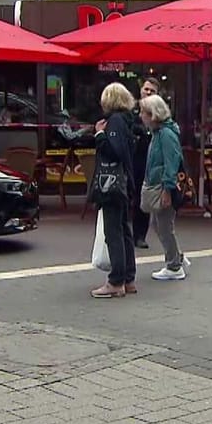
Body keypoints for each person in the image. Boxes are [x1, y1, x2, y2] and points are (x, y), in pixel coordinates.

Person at [91, 83, 139, 298]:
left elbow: (113, 151)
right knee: (123, 230)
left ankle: (116, 280)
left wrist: (100, 135)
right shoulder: (129, 120)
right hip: (124, 182)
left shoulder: (115, 122)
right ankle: (128, 278)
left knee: (114, 232)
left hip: (111, 184)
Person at [140, 94, 188, 281]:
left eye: (144, 112)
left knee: (164, 226)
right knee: (159, 224)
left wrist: (167, 189)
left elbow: (171, 162)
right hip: (159, 184)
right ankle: (176, 258)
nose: (141, 116)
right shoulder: (159, 133)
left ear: (153, 115)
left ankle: (174, 265)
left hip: (163, 186)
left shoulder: (166, 134)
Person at [130, 78, 160, 250]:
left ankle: (140, 235)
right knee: (130, 196)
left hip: (150, 160)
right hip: (133, 158)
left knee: (144, 198)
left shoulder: (159, 113)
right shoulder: (132, 109)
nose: (148, 93)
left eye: (152, 91)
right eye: (146, 89)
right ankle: (126, 234)